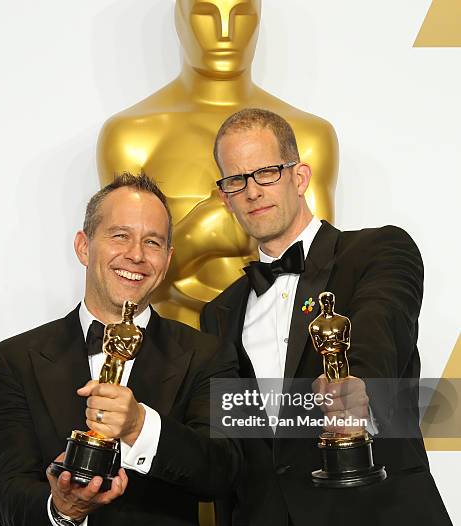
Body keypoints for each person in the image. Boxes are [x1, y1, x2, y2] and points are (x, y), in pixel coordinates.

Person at [200, 108, 461, 526]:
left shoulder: (378, 251)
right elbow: (233, 450)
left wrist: (356, 383)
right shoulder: (220, 312)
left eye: (266, 172)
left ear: (300, 176)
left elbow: (380, 325)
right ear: (225, 196)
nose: (252, 190)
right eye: (236, 180)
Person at [0, 172, 241, 526]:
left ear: (169, 257)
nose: (136, 255)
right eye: (120, 235)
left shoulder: (208, 354)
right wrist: (61, 507)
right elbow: (6, 492)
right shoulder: (14, 358)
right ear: (84, 246)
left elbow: (223, 471)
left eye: (153, 242)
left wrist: (142, 428)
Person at [97, 0, 338, 328]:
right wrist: (197, 237)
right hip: (175, 355)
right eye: (206, 14)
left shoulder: (309, 136)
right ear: (179, 19)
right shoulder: (132, 137)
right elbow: (120, 280)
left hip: (279, 356)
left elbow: (318, 272)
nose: (226, 34)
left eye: (240, 14)